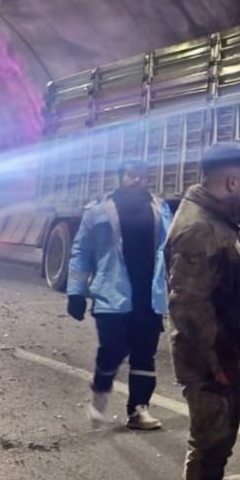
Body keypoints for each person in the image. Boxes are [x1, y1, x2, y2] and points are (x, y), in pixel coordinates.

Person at [166, 142, 240, 480]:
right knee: (209, 443)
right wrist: (215, 360)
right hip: (209, 357)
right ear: (232, 180)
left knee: (216, 443)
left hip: (222, 352)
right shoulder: (200, 228)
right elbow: (187, 303)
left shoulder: (219, 220)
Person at [66, 159, 172, 430]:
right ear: (120, 176)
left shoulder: (160, 209)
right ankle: (101, 394)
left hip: (149, 295)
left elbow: (170, 250)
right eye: (131, 175)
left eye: (143, 175)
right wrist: (76, 292)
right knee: (111, 351)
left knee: (144, 354)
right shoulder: (98, 210)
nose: (137, 180)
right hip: (112, 294)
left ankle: (138, 409)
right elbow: (81, 252)